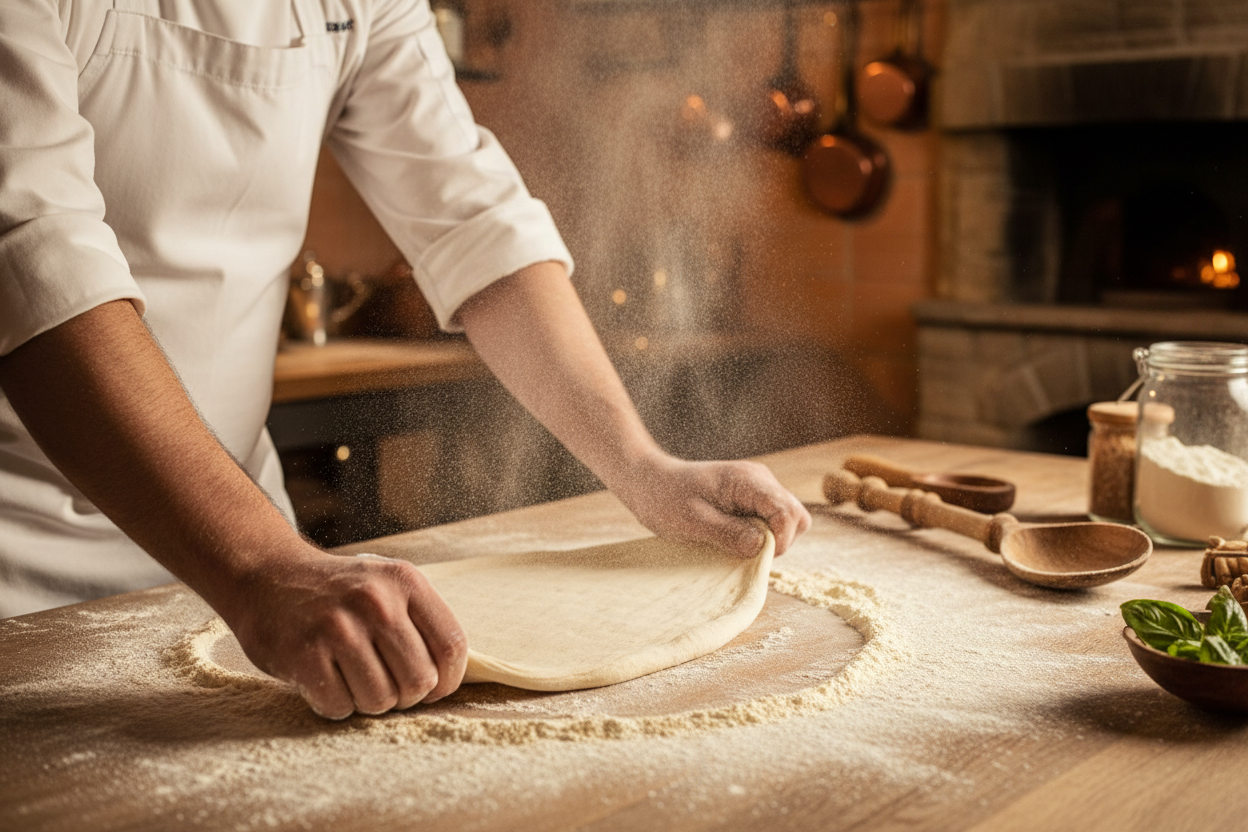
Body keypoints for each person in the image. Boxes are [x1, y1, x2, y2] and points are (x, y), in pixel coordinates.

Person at [0, 0, 811, 719]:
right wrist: (257, 565)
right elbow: (33, 256)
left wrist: (641, 468)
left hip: (251, 550)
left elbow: (473, 219)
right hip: (21, 560)